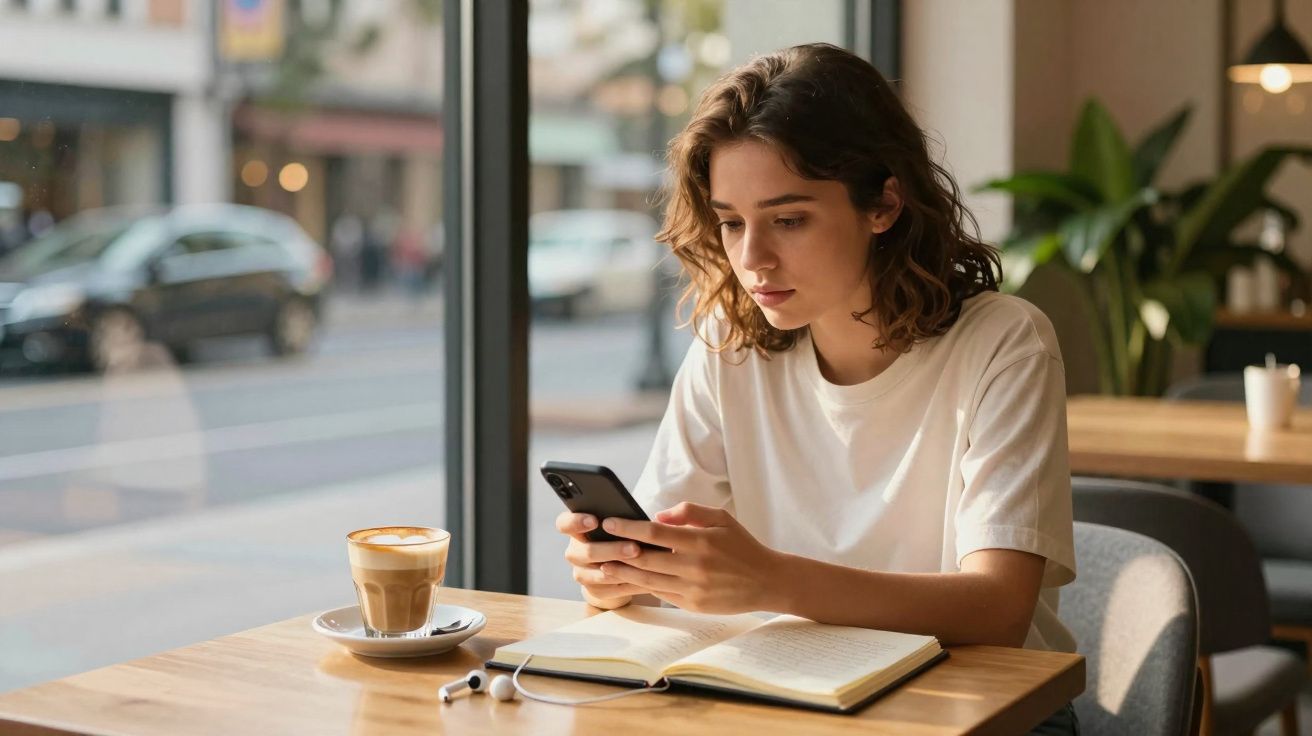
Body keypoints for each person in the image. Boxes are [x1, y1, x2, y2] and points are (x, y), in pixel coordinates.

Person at [555, 43, 1079, 734]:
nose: (751, 259)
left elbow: (999, 610)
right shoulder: (730, 349)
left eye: (789, 219)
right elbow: (660, 549)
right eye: (732, 222)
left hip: (985, 713)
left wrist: (770, 581)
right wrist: (617, 568)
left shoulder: (1005, 343)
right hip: (799, 703)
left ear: (884, 203)